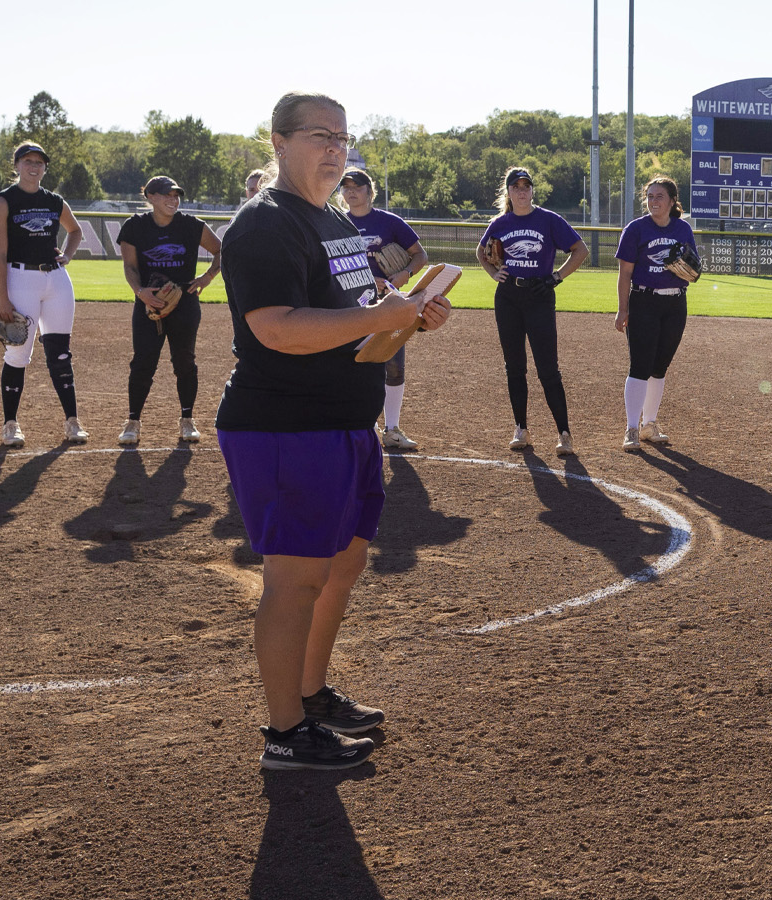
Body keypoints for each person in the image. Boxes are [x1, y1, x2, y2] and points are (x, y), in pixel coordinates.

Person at [218, 92, 452, 770]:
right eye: (319, 135)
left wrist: (406, 314)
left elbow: (354, 309)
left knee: (342, 563)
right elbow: (276, 327)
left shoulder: (332, 222)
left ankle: (311, 694)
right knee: (295, 578)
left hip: (343, 422)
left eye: (342, 138)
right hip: (285, 425)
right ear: (279, 141)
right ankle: (285, 735)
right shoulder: (265, 225)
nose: (334, 148)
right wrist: (382, 317)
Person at [478, 166, 587, 455]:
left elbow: (580, 250)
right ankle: (521, 429)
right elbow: (481, 251)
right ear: (509, 192)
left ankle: (564, 434)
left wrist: (556, 277)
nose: (522, 191)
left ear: (532, 191)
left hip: (539, 295)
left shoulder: (549, 220)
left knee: (548, 368)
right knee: (514, 367)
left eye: (526, 186)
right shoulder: (501, 222)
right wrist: (493, 273)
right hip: (508, 297)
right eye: (516, 187)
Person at [0, 141, 87, 448]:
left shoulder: (54, 200)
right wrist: (2, 298)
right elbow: (0, 252)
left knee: (59, 353)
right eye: (28, 161)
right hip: (20, 278)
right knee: (18, 352)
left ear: (45, 167)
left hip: (56, 280)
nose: (34, 166)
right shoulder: (4, 201)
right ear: (16, 165)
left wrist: (68, 256)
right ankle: (10, 425)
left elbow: (75, 230)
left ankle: (72, 422)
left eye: (40, 162)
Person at [116, 175, 222, 447]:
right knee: (143, 362)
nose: (173, 199)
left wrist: (207, 277)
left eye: (176, 195)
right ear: (150, 197)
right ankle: (133, 422)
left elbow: (222, 251)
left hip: (184, 300)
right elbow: (130, 267)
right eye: (166, 194)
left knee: (184, 360)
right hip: (148, 300)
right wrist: (141, 293)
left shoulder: (191, 225)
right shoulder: (135, 227)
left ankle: (187, 420)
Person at [339, 168, 429, 452]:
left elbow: (420, 255)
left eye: (357, 186)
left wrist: (404, 274)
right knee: (354, 362)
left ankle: (391, 429)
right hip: (353, 302)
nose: (351, 191)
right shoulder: (336, 223)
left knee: (392, 362)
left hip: (389, 300)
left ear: (369, 191)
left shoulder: (389, 222)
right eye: (346, 187)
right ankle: (364, 423)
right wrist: (362, 278)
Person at [614, 175, 698, 450]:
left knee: (660, 367)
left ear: (672, 201)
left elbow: (693, 271)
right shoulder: (636, 229)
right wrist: (622, 309)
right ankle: (631, 428)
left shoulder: (683, 229)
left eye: (659, 196)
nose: (653, 201)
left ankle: (649, 424)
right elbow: (625, 273)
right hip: (643, 302)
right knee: (640, 366)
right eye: (650, 196)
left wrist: (691, 271)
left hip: (675, 304)